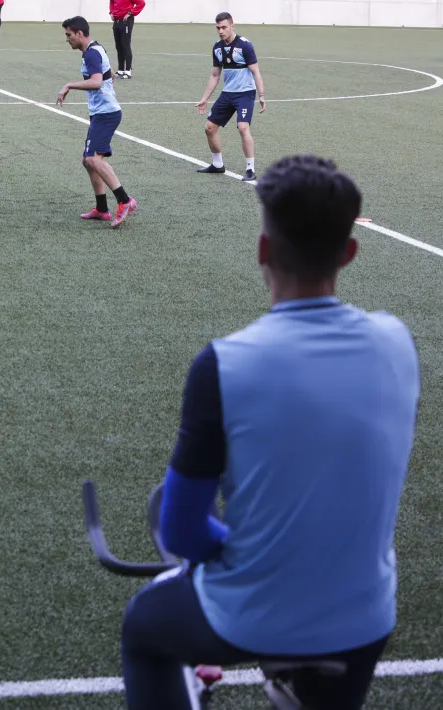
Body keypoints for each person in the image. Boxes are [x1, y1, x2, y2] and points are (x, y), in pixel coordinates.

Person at [118, 154, 420, 710]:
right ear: (349, 253)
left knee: (144, 628)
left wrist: (244, 549)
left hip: (256, 614)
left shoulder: (224, 364)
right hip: (365, 619)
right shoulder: (397, 341)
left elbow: (181, 531)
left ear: (263, 250)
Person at [56, 15, 135, 228]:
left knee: (93, 159)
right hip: (102, 112)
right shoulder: (94, 49)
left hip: (106, 114)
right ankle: (102, 209)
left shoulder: (91, 53)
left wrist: (69, 85)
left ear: (79, 33)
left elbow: (97, 82)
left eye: (69, 35)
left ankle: (125, 201)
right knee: (88, 160)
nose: (67, 39)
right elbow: (108, 76)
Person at [195, 12, 266, 181]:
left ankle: (250, 169)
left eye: (224, 27)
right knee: (209, 128)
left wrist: (261, 95)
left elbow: (256, 71)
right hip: (228, 93)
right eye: (218, 28)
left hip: (245, 94)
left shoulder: (245, 45)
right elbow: (215, 75)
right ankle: (217, 164)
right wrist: (205, 98)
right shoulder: (217, 48)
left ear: (232, 26)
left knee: (243, 127)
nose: (221, 31)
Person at [109, 0, 143, 79]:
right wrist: (111, 13)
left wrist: (130, 13)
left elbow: (141, 3)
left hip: (126, 21)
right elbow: (112, 2)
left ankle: (128, 71)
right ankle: (120, 70)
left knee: (125, 45)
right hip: (116, 21)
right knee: (118, 46)